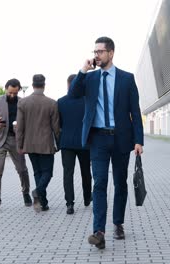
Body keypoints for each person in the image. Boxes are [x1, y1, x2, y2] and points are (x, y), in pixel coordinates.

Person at [68, 36, 143, 249]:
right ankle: (98, 231)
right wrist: (83, 70)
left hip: (121, 137)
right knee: (99, 183)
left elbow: (134, 111)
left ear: (111, 53)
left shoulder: (127, 79)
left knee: (120, 183)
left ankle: (117, 223)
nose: (96, 55)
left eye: (100, 51)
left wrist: (138, 140)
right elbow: (72, 94)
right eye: (94, 52)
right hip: (98, 138)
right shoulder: (90, 79)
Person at [0, 78, 31, 213]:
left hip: (16, 140)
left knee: (22, 169)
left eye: (15, 93)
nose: (12, 95)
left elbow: (27, 121)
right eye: (10, 93)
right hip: (0, 140)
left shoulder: (23, 102)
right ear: (6, 89)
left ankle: (26, 193)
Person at [16, 74, 60, 212]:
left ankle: (43, 202)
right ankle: (38, 192)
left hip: (30, 144)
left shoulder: (23, 103)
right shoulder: (52, 103)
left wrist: (20, 145)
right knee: (47, 172)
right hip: (46, 144)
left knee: (37, 172)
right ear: (44, 85)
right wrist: (59, 142)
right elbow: (56, 127)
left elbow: (20, 127)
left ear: (33, 85)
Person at [58, 74, 92, 215]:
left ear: (68, 85)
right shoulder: (88, 101)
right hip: (84, 143)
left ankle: (69, 204)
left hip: (66, 143)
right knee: (86, 172)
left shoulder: (60, 102)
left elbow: (58, 123)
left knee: (68, 174)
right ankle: (87, 198)